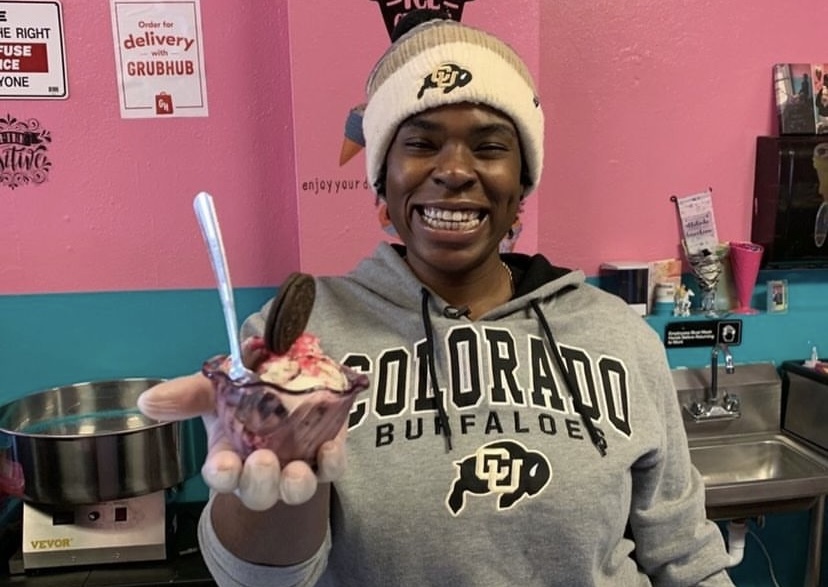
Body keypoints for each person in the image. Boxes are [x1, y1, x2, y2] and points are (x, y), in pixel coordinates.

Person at [138, 10, 736, 586]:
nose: (453, 170)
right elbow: (255, 580)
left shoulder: (620, 336)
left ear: (522, 181)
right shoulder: (296, 347)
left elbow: (686, 555)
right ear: (383, 177)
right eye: (421, 144)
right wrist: (274, 466)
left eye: (490, 146)